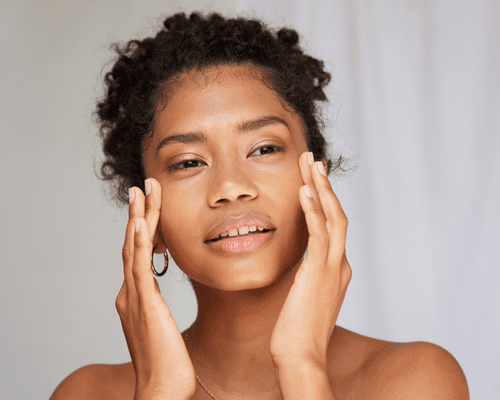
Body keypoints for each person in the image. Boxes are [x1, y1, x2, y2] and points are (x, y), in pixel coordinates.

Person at [51, 11, 469, 400]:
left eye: (264, 148)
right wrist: (160, 389)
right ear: (147, 216)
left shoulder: (414, 380)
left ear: (317, 179)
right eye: (189, 162)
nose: (231, 187)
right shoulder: (89, 393)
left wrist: (302, 366)